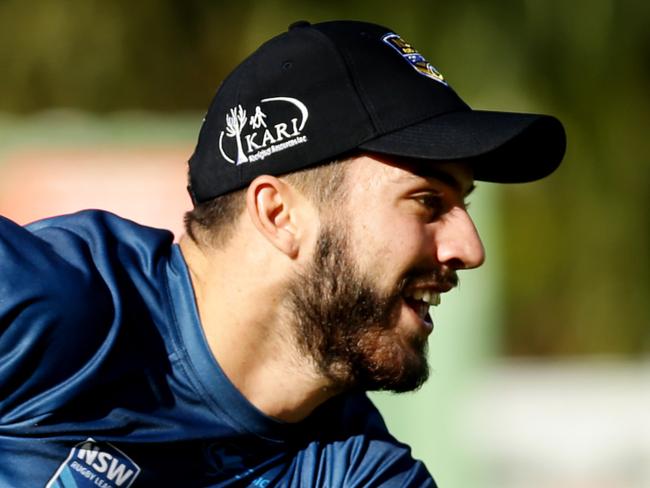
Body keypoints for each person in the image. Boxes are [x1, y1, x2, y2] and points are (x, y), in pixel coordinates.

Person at [0, 20, 566, 488]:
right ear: (279, 215)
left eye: (462, 204)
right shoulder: (52, 310)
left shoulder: (356, 473)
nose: (470, 248)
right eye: (426, 201)